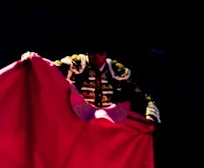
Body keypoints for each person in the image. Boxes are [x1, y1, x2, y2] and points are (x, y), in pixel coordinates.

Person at [23, 50, 161, 124]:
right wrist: (34, 61)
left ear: (106, 53)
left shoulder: (116, 70)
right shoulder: (76, 63)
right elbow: (50, 69)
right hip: (76, 122)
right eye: (92, 51)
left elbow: (141, 97)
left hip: (108, 125)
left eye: (99, 52)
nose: (95, 56)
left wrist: (150, 114)